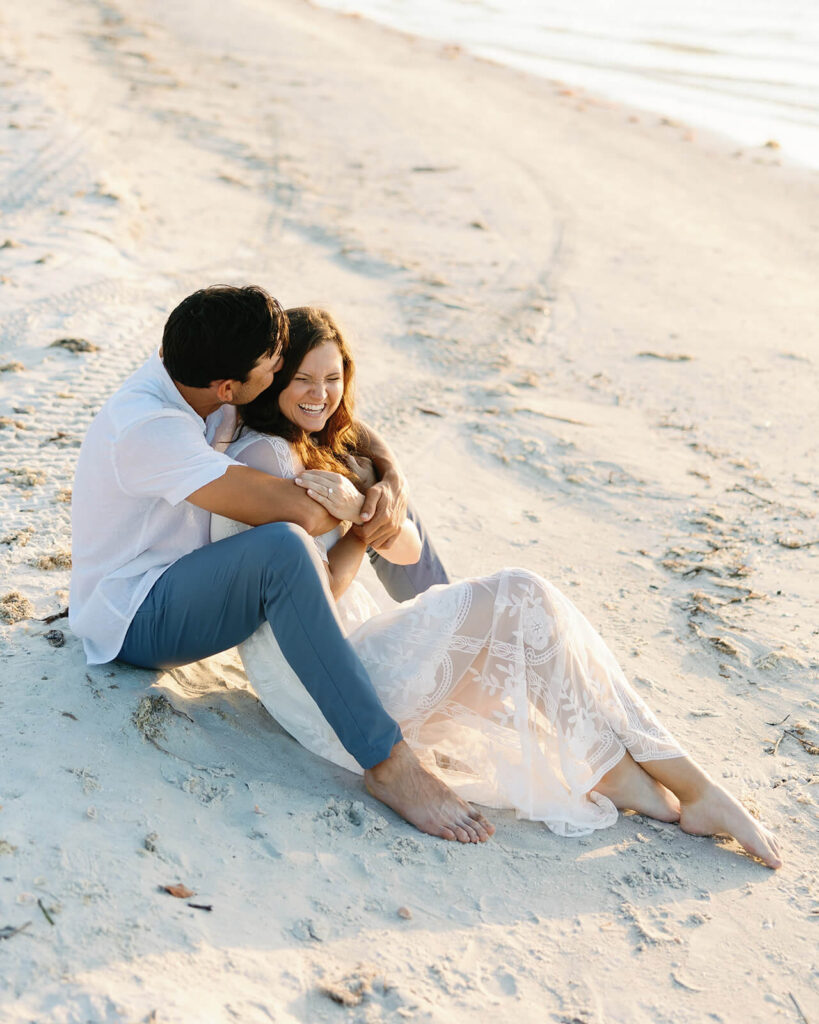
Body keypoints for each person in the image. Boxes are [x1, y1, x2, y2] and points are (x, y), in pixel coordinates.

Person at [211, 306, 782, 868]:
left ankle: (639, 773)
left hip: (356, 651)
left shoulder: (321, 445)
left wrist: (368, 508)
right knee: (521, 594)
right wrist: (359, 531)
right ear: (277, 380)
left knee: (528, 615)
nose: (320, 393)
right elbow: (313, 596)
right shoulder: (265, 456)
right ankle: (659, 779)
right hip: (326, 684)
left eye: (333, 378)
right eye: (304, 379)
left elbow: (405, 550)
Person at [69, 284, 495, 844]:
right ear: (231, 390)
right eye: (276, 367)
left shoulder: (195, 368)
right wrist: (359, 503)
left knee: (357, 470)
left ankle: (449, 628)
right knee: (284, 547)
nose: (281, 369)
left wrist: (389, 479)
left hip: (195, 577)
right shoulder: (150, 431)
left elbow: (345, 421)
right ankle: (386, 762)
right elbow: (300, 513)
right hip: (136, 615)